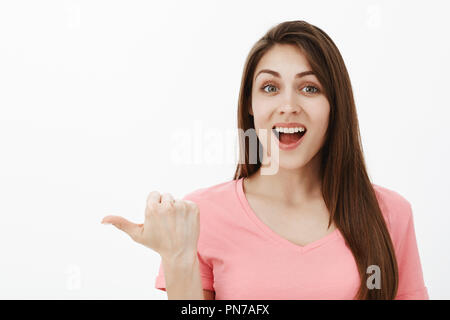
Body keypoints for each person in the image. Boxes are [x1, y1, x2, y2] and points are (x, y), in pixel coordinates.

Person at [101, 20, 429, 300]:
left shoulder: (390, 214)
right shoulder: (201, 217)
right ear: (250, 104)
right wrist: (177, 257)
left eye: (310, 88)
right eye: (270, 87)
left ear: (335, 105)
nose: (288, 105)